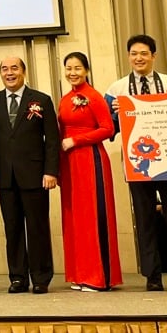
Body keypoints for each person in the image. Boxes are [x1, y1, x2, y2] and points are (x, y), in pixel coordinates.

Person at [104, 34, 167, 292]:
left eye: (144, 53)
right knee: (144, 221)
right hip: (138, 163)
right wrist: (116, 117)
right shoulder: (116, 89)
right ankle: (152, 276)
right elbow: (106, 127)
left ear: (153, 56)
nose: (138, 58)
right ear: (128, 56)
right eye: (134, 53)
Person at [0, 57, 58, 294]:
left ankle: (40, 277)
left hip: (35, 175)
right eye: (4, 69)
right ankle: (17, 277)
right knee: (12, 228)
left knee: (37, 228)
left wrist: (50, 171)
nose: (9, 73)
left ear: (23, 72)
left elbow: (52, 140)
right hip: (5, 176)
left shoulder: (41, 100)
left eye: (14, 68)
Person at [57, 52, 122, 292]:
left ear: (86, 70)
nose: (72, 72)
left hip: (90, 159)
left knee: (93, 217)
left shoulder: (94, 97)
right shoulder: (65, 99)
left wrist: (77, 140)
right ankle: (81, 274)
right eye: (69, 68)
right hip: (70, 162)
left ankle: (99, 277)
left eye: (77, 68)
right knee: (76, 219)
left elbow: (108, 128)